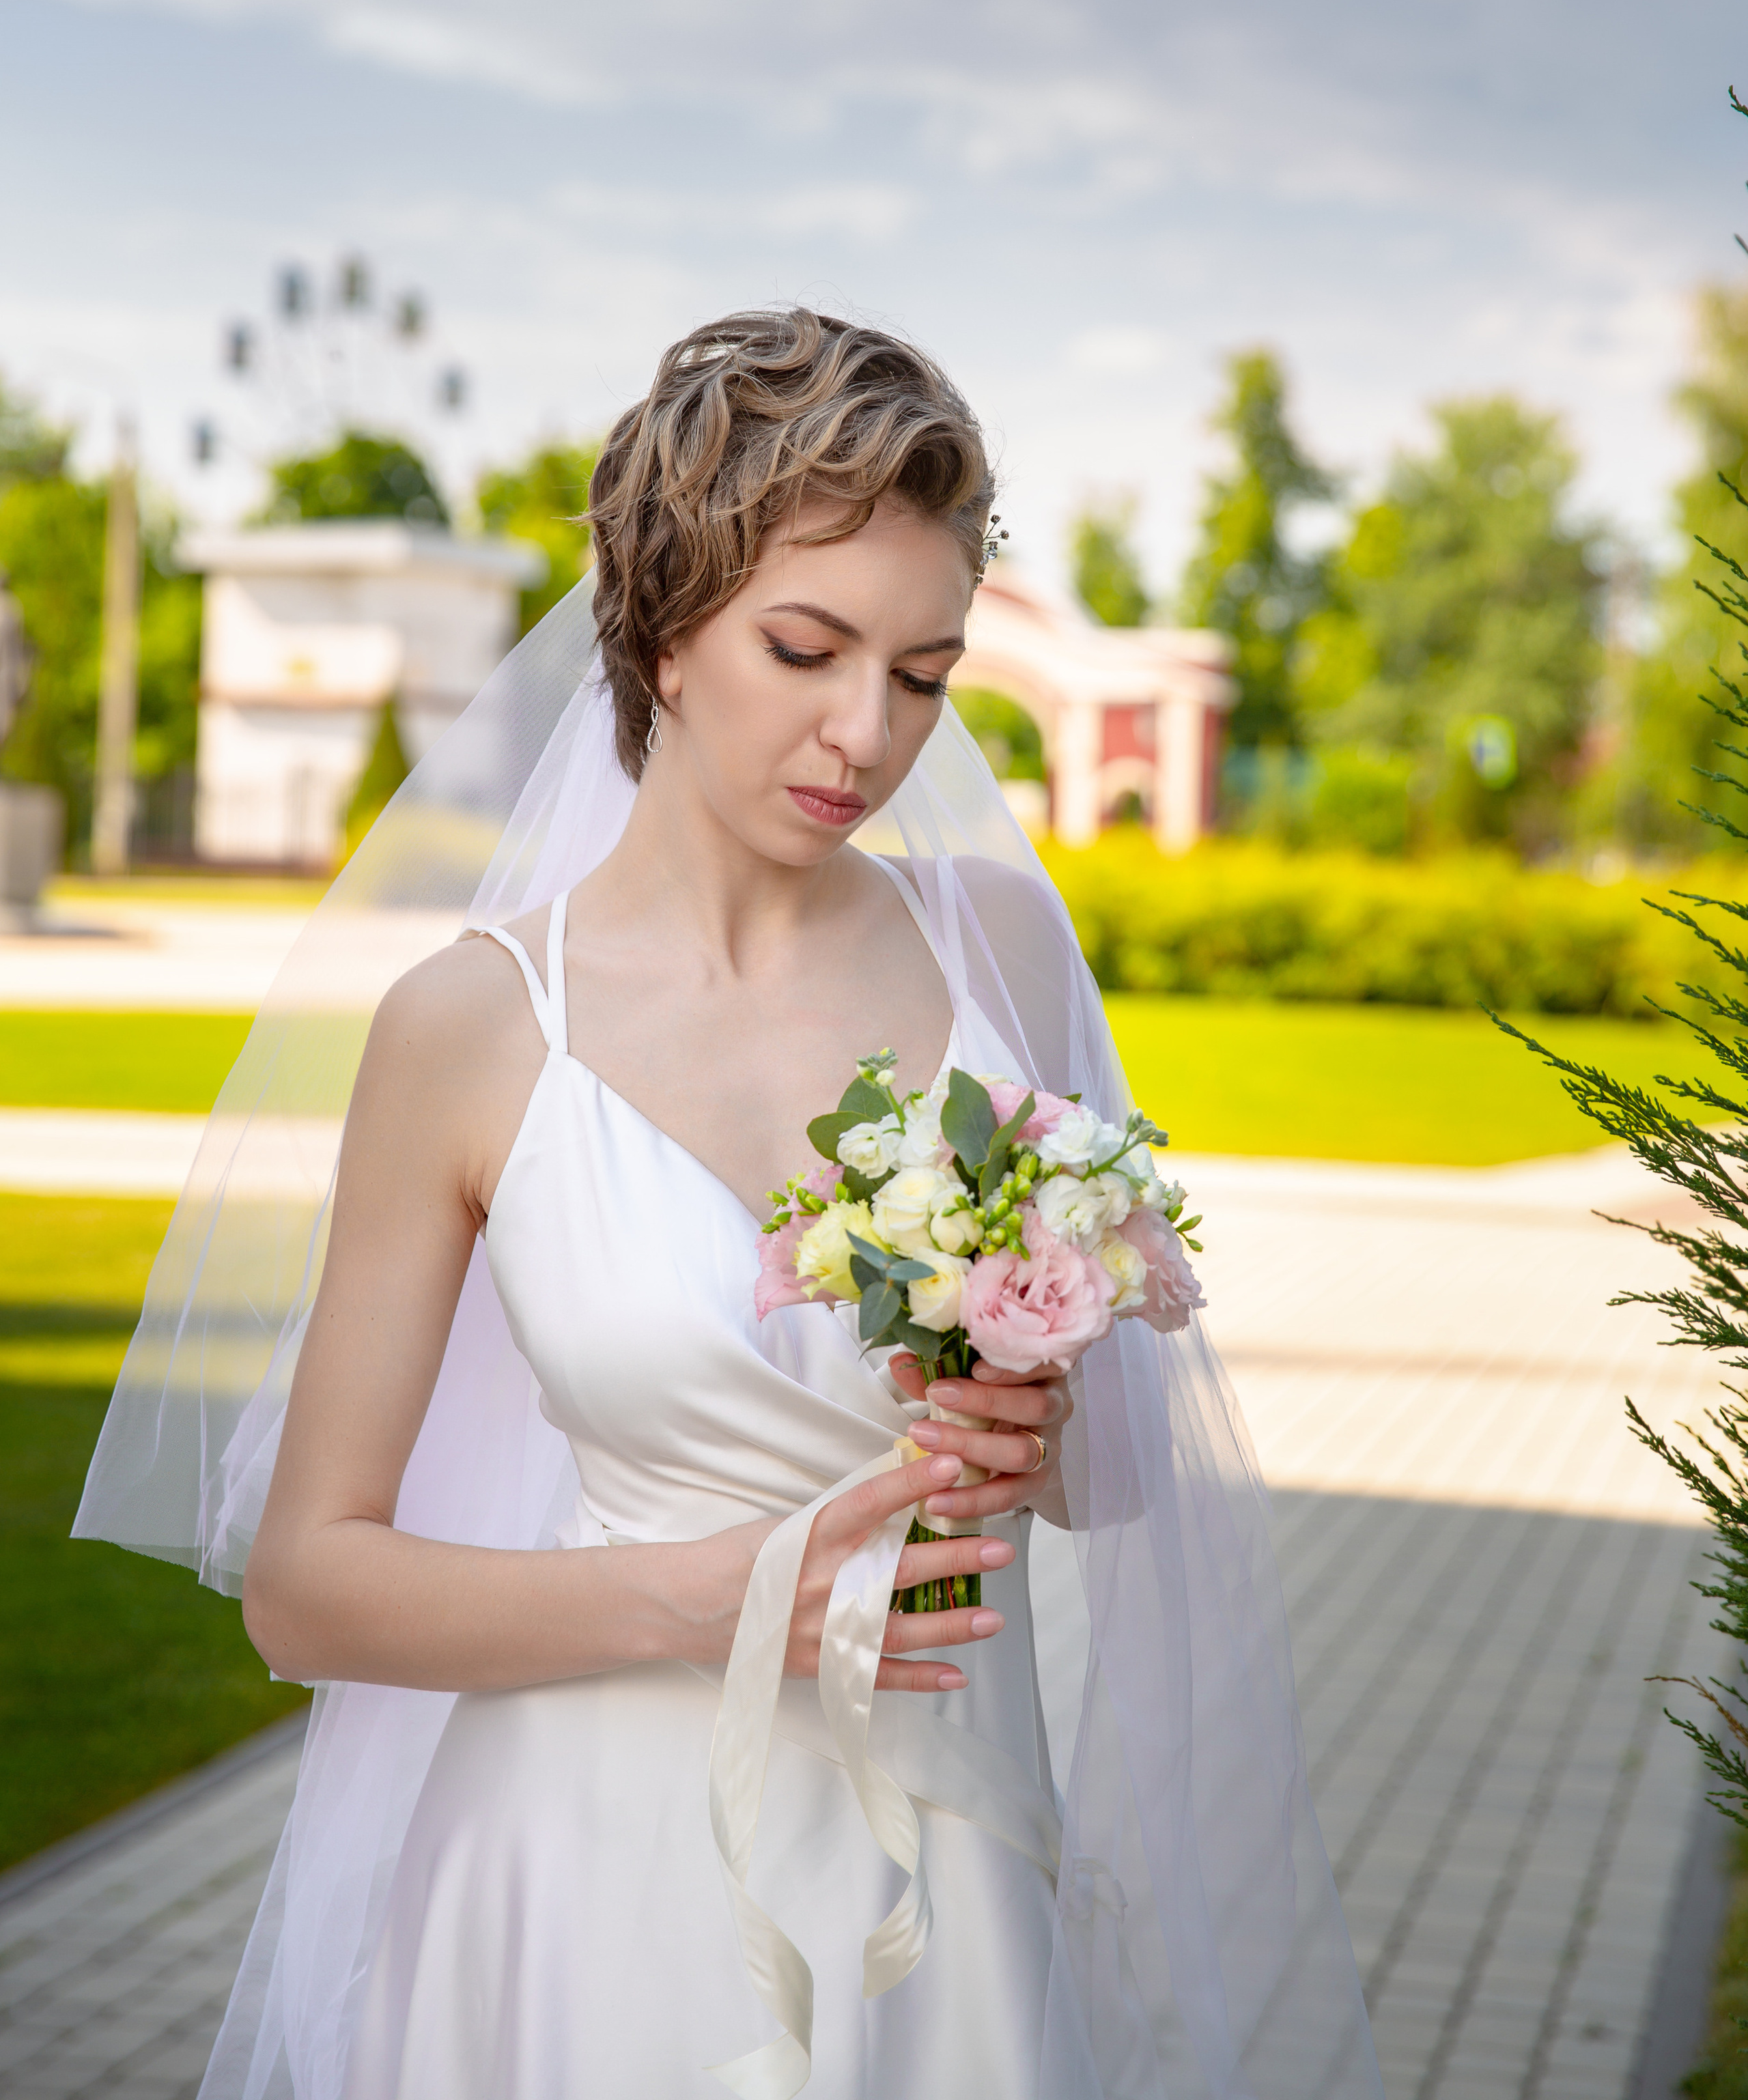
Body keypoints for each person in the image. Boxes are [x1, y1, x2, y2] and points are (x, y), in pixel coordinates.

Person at [76, 311, 1383, 2100]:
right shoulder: (471, 1030)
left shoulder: (994, 950)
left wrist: (1034, 1407)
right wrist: (705, 1604)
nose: (869, 733)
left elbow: (1113, 1478)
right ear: (666, 625)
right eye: (807, 646)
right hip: (578, 1886)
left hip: (942, 1875)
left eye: (924, 675)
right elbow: (308, 1590)